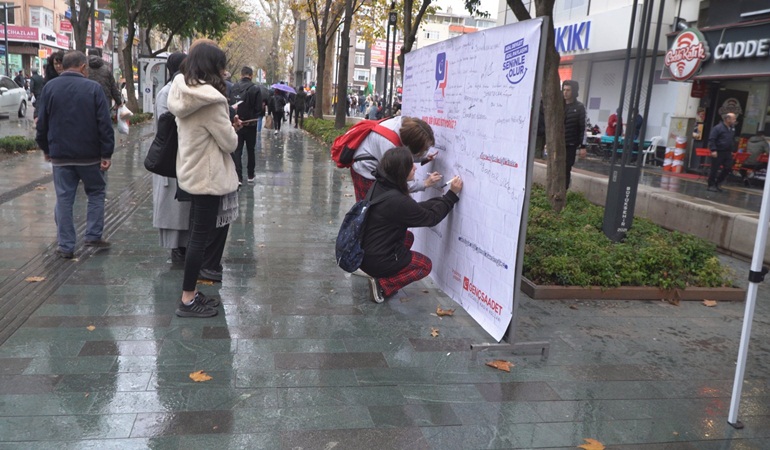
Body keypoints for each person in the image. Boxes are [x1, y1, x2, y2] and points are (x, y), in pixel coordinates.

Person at [167, 39, 241, 318]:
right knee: (199, 239)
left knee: (196, 236)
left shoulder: (182, 91)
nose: (224, 71)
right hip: (207, 176)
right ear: (213, 66)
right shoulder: (211, 101)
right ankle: (187, 299)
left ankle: (191, 293)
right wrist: (232, 127)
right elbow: (229, 143)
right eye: (221, 65)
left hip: (191, 170)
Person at [35, 51, 115, 259]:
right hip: (90, 156)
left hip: (61, 155)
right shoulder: (94, 89)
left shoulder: (50, 88)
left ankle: (66, 246)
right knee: (96, 193)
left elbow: (42, 123)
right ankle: (93, 235)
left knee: (64, 199)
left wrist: (46, 149)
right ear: (82, 67)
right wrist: (106, 153)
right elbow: (104, 124)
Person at [359, 147, 462, 303]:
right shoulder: (398, 200)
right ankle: (383, 284)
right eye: (410, 165)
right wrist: (451, 195)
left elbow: (416, 209)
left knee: (408, 237)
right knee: (424, 265)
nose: (415, 167)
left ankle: (382, 272)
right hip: (377, 259)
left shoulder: (382, 185)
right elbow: (431, 218)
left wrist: (442, 200)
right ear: (401, 171)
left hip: (366, 253)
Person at [152, 52, 190, 264]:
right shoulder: (166, 92)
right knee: (173, 208)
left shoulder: (184, 90)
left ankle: (183, 246)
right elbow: (165, 125)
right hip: (171, 155)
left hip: (184, 156)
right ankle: (177, 248)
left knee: (183, 208)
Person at [350, 116, 441, 202]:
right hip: (365, 172)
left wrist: (423, 158)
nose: (415, 167)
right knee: (370, 207)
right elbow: (397, 183)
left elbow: (404, 153)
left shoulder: (403, 125)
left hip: (372, 161)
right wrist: (425, 183)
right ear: (413, 143)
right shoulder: (389, 145)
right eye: (423, 149)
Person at [231, 66, 263, 185]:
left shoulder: (234, 87)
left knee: (237, 150)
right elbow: (259, 108)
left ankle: (238, 177)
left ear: (241, 75)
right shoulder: (255, 88)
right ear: (251, 75)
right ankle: (250, 175)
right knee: (251, 150)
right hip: (251, 124)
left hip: (236, 123)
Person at [562, 80, 586, 189]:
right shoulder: (560, 105)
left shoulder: (580, 107)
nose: (565, 92)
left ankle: (564, 190)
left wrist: (583, 146)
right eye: (564, 90)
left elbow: (583, 127)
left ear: (574, 91)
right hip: (558, 143)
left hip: (571, 144)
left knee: (566, 168)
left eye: (568, 90)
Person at [707, 113, 737, 192]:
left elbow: (731, 139)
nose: (735, 120)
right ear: (728, 119)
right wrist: (713, 150)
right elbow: (712, 139)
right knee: (714, 168)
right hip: (718, 151)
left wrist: (732, 149)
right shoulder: (718, 128)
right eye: (733, 119)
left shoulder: (732, 129)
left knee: (728, 168)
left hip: (728, 152)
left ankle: (718, 182)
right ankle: (711, 185)